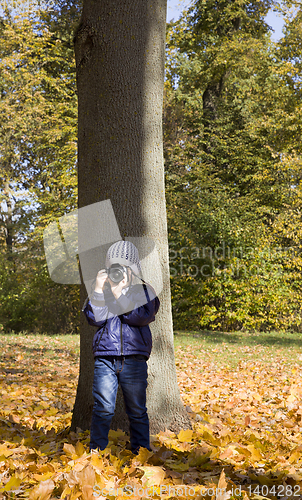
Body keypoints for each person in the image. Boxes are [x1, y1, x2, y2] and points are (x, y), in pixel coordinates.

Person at [83, 240, 160, 454]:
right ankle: (96, 451)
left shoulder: (144, 291)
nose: (117, 273)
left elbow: (141, 316)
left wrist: (119, 294)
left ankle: (141, 451)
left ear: (133, 270)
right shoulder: (102, 292)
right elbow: (95, 318)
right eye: (113, 267)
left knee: (136, 409)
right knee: (103, 408)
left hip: (134, 360)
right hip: (105, 359)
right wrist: (99, 289)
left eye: (122, 267)